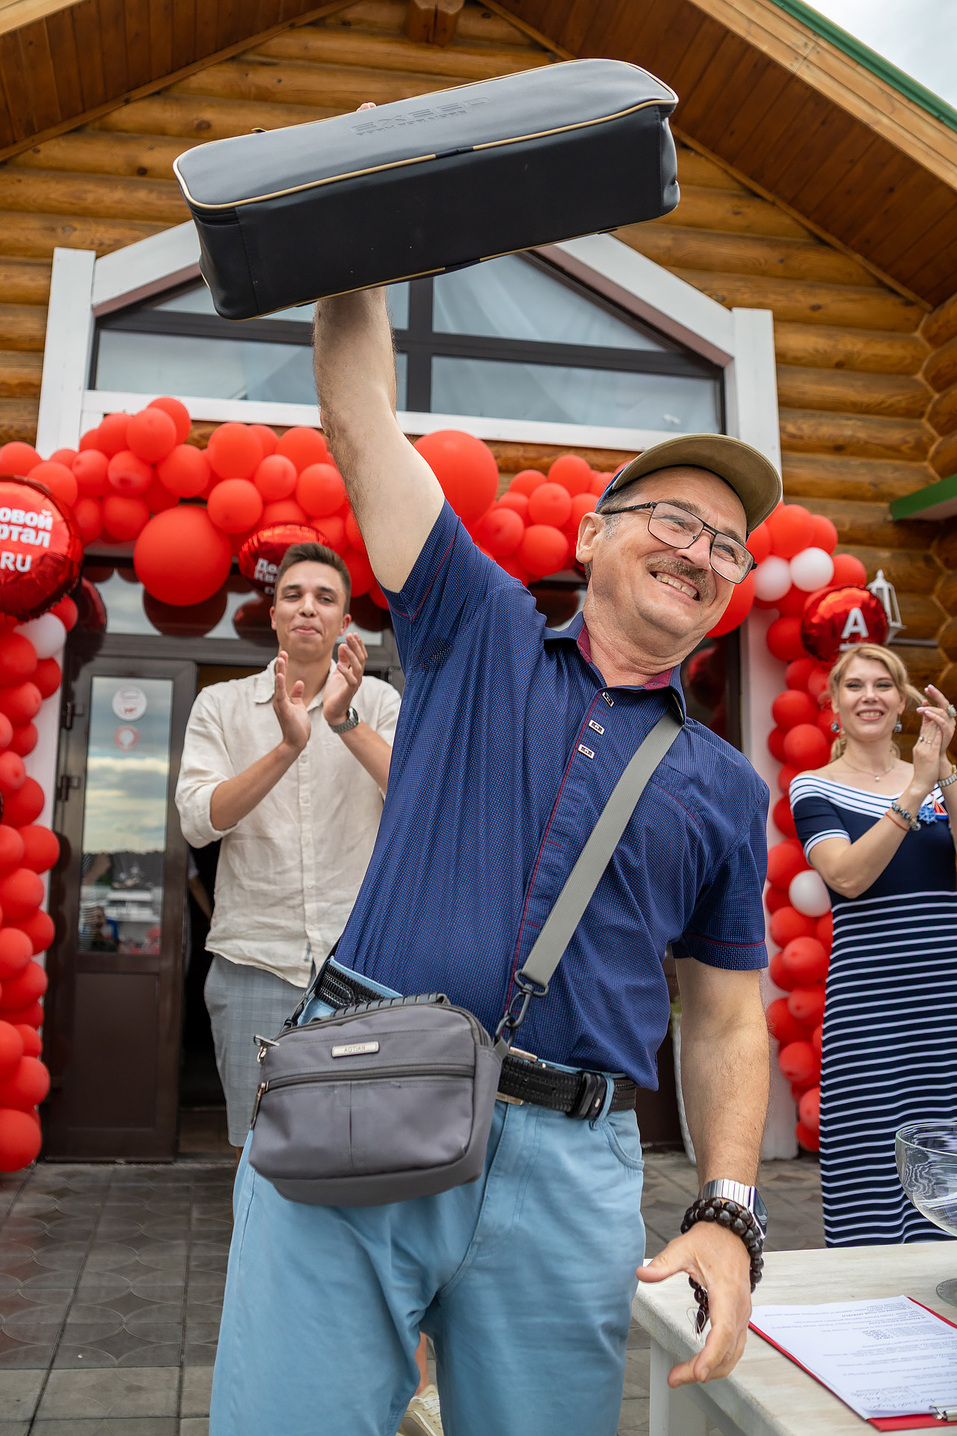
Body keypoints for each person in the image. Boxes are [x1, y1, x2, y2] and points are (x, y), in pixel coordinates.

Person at [209, 287, 781, 1436]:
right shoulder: (477, 624)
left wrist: (729, 1205)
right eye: (675, 519)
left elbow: (726, 1018)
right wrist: (355, 259)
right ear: (593, 534)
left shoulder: (727, 786)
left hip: (573, 1170)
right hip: (363, 1092)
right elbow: (360, 416)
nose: (701, 551)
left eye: (727, 545)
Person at [175, 540, 399, 1155]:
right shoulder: (220, 705)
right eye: (292, 595)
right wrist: (287, 748)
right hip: (255, 962)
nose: (307, 607)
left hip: (359, 967)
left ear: (344, 622)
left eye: (324, 597)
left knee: (356, 1150)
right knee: (257, 1155)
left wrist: (344, 721)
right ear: (273, 613)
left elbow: (415, 799)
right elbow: (199, 820)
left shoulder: (378, 702)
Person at [790, 644, 957, 1246]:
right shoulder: (814, 788)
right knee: (870, 1154)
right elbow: (848, 877)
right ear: (834, 704)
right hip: (871, 1007)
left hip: (946, 1005)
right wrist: (914, 791)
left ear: (903, 702)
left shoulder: (942, 780)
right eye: (855, 685)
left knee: (949, 1153)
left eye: (883, 685)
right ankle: (871, 1289)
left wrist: (944, 768)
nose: (870, 696)